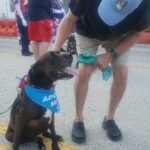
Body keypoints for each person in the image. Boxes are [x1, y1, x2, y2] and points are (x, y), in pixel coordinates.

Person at [53, 0, 150, 143]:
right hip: (88, 30)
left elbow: (136, 34)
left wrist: (111, 55)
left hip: (120, 35)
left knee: (122, 72)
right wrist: (55, 53)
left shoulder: (146, 6)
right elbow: (68, 20)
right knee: (84, 71)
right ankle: (78, 119)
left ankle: (109, 119)